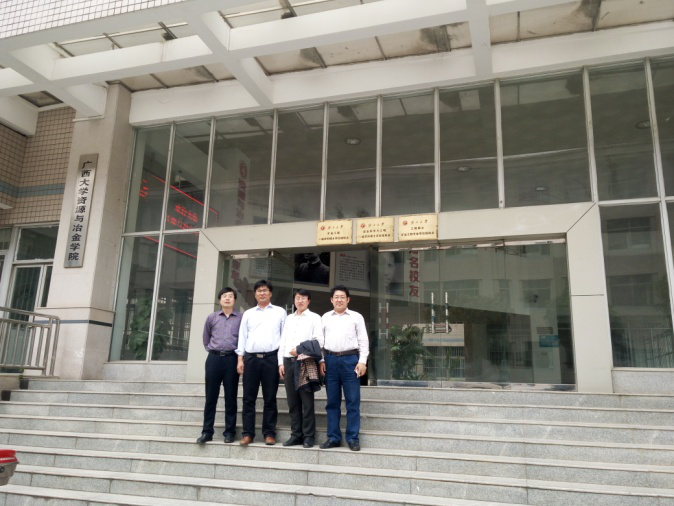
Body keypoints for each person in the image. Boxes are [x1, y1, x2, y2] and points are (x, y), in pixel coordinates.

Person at [236, 280, 286, 446]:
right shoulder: (248, 314)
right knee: (248, 398)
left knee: (270, 398)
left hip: (271, 359)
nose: (262, 293)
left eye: (265, 290)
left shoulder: (280, 312)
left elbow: (284, 338)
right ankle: (247, 434)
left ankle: (269, 433)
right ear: (255, 294)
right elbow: (242, 337)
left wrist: (281, 362)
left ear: (270, 293)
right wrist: (240, 359)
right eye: (259, 290)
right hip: (251, 359)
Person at [319, 285, 369, 451]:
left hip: (350, 360)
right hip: (330, 360)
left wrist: (362, 361)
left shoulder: (356, 317)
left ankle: (353, 438)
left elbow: (363, 340)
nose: (339, 300)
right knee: (332, 402)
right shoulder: (325, 317)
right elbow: (320, 341)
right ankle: (333, 437)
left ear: (348, 299)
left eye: (342, 297)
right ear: (331, 300)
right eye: (336, 297)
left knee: (353, 401)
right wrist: (321, 360)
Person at [278, 289, 324, 448]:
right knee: (292, 402)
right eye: (297, 298)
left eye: (303, 298)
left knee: (307, 402)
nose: (300, 300)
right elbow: (283, 341)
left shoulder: (315, 318)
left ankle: (309, 436)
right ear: (294, 300)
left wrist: (299, 349)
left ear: (308, 301)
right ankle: (296, 435)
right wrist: (280, 363)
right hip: (288, 362)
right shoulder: (289, 318)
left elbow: (319, 341)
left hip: (305, 362)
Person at [197, 287, 242, 444]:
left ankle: (229, 432)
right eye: (224, 296)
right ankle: (207, 432)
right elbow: (206, 338)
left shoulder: (241, 318)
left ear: (234, 299)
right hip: (214, 358)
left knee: (231, 397)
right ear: (219, 300)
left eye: (230, 296)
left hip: (232, 359)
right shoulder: (212, 317)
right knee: (211, 397)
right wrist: (212, 350)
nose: (227, 298)